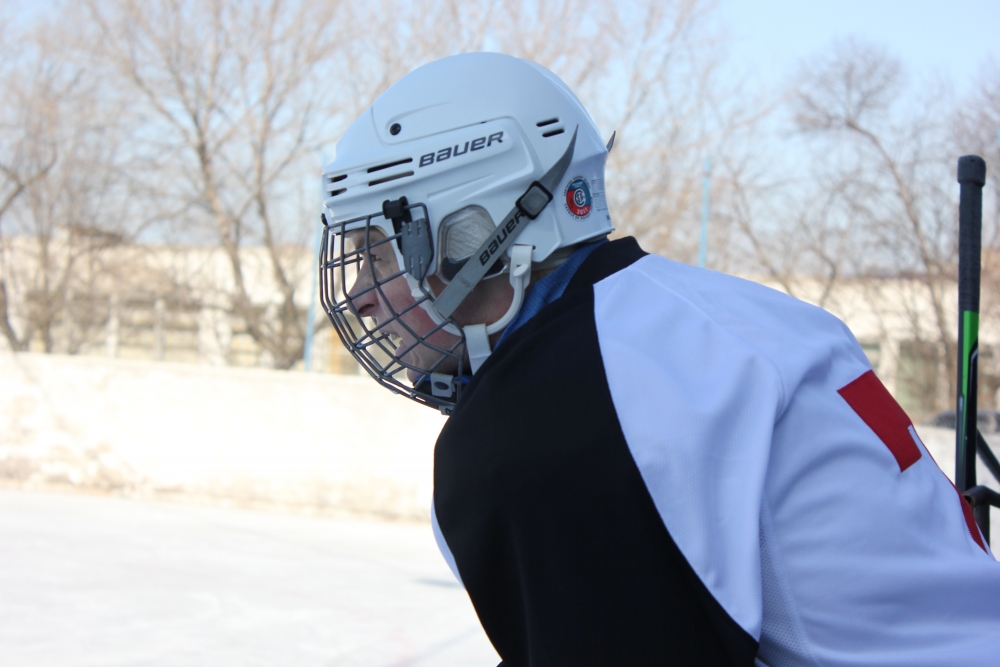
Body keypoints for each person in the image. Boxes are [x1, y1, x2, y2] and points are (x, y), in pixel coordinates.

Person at [319, 53, 1000, 666]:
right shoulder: (736, 313)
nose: (358, 297)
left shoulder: (537, 424)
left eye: (377, 254)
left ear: (469, 234)